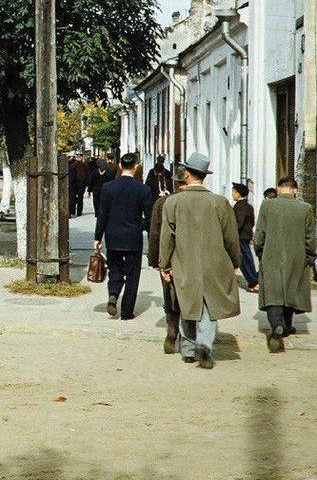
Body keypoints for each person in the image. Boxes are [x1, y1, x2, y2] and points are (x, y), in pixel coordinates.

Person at [159, 152, 240, 369]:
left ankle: (188, 350)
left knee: (187, 304)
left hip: (183, 262)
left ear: (186, 174)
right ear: (204, 176)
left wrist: (164, 265)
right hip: (214, 262)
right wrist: (235, 261)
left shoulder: (173, 202)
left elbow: (167, 238)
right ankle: (204, 347)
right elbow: (231, 237)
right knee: (208, 307)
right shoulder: (220, 202)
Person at [253, 176, 316, 353]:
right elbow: (310, 237)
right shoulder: (305, 208)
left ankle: (277, 326)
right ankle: (286, 325)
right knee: (291, 290)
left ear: (279, 189)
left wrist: (260, 252)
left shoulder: (267, 205)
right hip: (296, 255)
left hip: (271, 254)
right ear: (295, 190)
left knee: (273, 292)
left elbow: (259, 233)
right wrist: (309, 257)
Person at [94, 153, 153, 320]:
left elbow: (102, 215)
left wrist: (98, 238)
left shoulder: (108, 187)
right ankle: (127, 312)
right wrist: (146, 233)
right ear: (136, 167)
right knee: (133, 274)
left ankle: (113, 293)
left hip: (112, 236)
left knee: (115, 268)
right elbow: (149, 218)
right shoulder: (143, 190)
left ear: (120, 166)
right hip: (133, 237)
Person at [148, 165, 188, 353]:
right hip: (193, 257)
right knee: (192, 295)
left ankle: (172, 329)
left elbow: (155, 233)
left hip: (169, 257)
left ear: (174, 182)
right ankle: (189, 335)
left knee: (170, 293)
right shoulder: (205, 200)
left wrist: (155, 260)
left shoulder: (162, 202)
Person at [232, 183, 259, 292]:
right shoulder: (248, 206)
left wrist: (232, 233)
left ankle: (254, 282)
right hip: (245, 235)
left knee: (245, 261)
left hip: (240, 236)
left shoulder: (240, 206)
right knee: (246, 259)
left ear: (238, 194)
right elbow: (252, 222)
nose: (232, 194)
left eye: (234, 192)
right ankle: (254, 281)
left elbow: (239, 222)